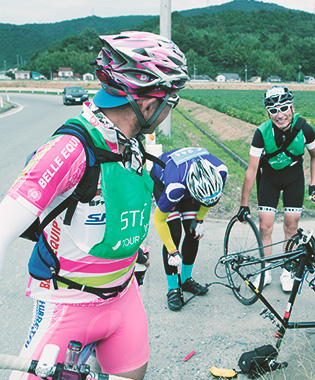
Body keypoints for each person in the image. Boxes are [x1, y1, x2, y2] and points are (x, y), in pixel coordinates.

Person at [0, 31, 188, 380]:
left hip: (124, 297)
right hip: (68, 305)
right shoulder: (70, 148)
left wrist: (137, 253)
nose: (167, 112)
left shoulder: (129, 143)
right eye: (169, 102)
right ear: (147, 104)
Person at [237, 86, 315, 292]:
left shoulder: (305, 129)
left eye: (284, 108)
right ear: (268, 112)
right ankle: (265, 270)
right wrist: (244, 204)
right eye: (273, 110)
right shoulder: (261, 132)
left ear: (292, 107)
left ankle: (287, 270)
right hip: (270, 179)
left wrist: (313, 184)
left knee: (291, 227)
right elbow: (251, 170)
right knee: (265, 226)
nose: (279, 114)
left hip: (294, 178)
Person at [150, 147, 227, 311]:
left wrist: (199, 219)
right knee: (174, 233)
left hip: (193, 184)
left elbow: (208, 201)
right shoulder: (174, 188)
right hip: (164, 181)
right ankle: (173, 288)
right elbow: (158, 220)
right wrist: (172, 251)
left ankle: (185, 279)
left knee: (193, 233)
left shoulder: (220, 171)